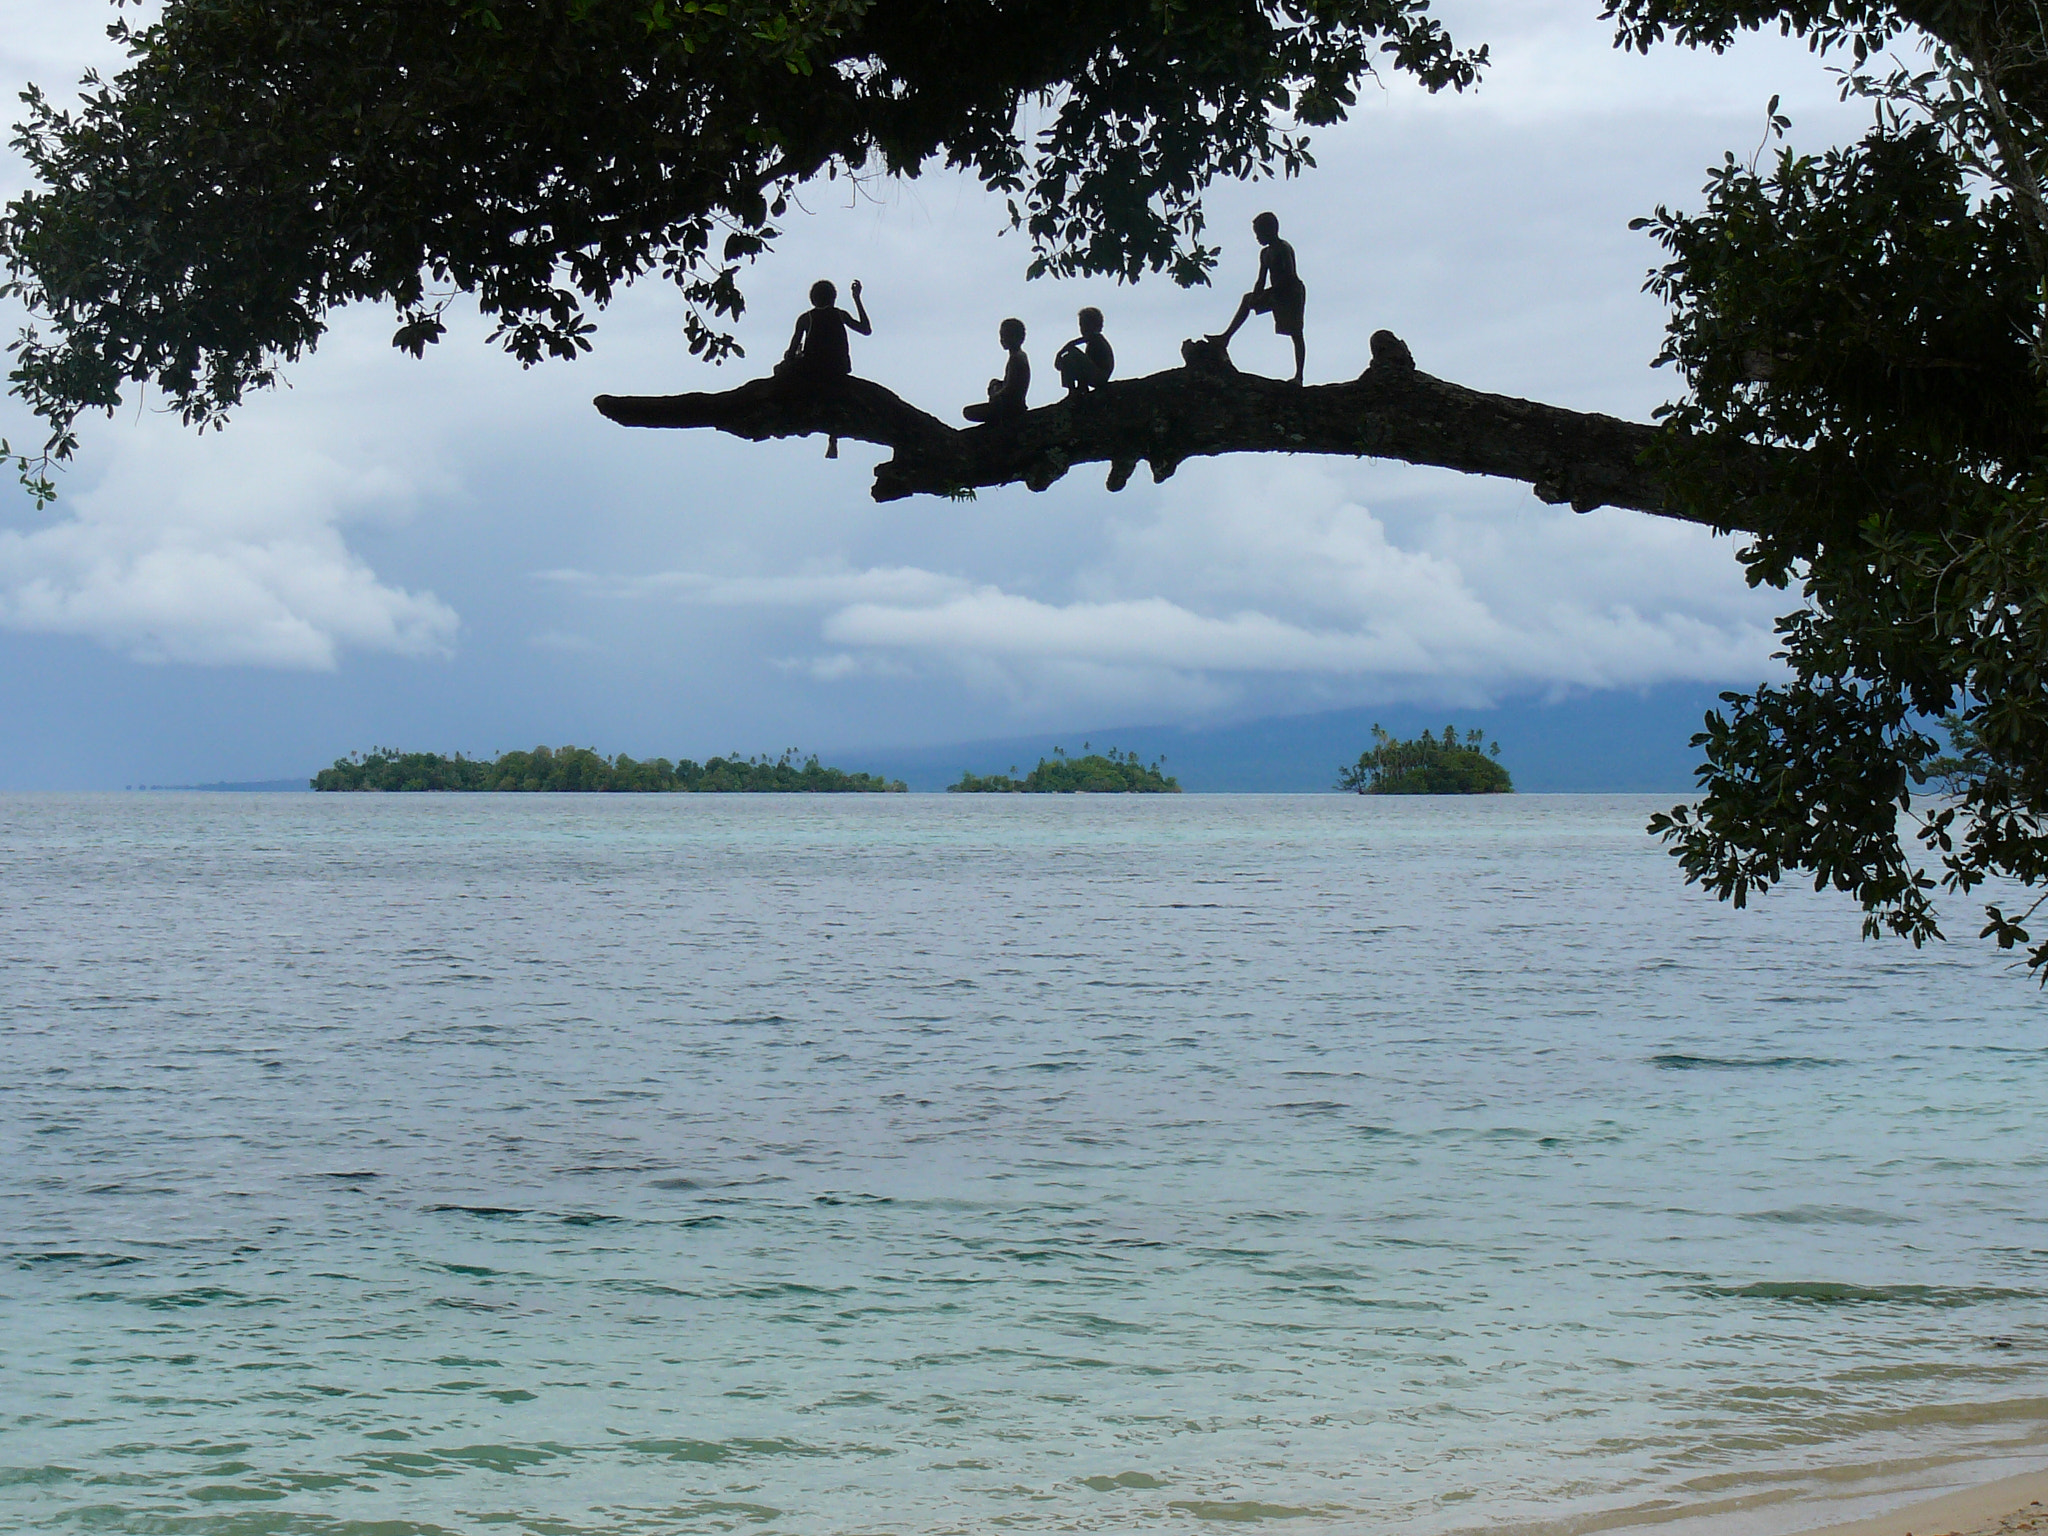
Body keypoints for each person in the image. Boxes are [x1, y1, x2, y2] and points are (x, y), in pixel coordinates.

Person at [1207, 212, 1306, 385]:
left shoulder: (1283, 248)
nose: (1257, 237)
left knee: (1296, 333)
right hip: (1276, 293)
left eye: (1259, 233)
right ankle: (1225, 338)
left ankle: (1299, 376)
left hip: (1291, 293)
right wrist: (1257, 296)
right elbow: (1261, 278)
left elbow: (1288, 277)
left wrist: (1269, 295)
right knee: (1247, 300)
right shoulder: (1265, 253)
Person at [777, 278, 871, 384]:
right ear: (833, 298)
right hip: (839, 366)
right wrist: (857, 298)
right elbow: (866, 330)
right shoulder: (841, 315)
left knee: (780, 368)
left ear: (812, 299)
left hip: (812, 367)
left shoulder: (806, 318)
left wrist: (794, 355)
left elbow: (791, 353)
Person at [963, 317, 1030, 422]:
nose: (1002, 339)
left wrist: (995, 394)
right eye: (1001, 336)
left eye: (1006, 336)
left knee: (968, 412)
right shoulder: (1018, 356)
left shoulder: (1017, 358)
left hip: (1011, 407)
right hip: (1011, 404)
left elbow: (1010, 389)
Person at [1055, 307, 1114, 395]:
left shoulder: (1097, 338)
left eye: (1086, 325)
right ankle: (1078, 389)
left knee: (1072, 354)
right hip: (1095, 374)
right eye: (1081, 325)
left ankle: (1073, 391)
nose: (1083, 329)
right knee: (1070, 357)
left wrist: (1060, 353)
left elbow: (1072, 344)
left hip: (1100, 376)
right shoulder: (1091, 343)